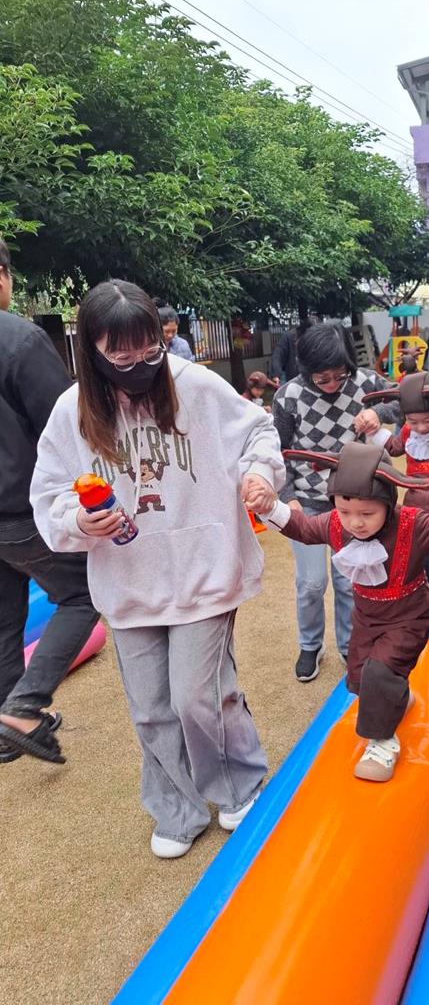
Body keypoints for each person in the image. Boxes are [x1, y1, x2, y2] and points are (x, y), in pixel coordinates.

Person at [30, 280, 285, 859]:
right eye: (121, 359)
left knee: (199, 696)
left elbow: (259, 429)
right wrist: (79, 520)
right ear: (92, 352)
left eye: (150, 353)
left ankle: (238, 784)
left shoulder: (195, 385)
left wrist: (259, 472)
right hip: (128, 580)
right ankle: (176, 807)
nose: (140, 368)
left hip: (204, 567)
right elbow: (48, 497)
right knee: (150, 709)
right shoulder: (72, 412)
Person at [256, 442, 429, 781]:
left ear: (388, 503)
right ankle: (397, 698)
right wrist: (269, 506)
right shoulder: (336, 525)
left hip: (410, 616)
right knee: (360, 674)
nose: (355, 523)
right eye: (345, 511)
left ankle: (383, 742)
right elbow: (302, 528)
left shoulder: (413, 524)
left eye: (366, 513)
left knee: (380, 670)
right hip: (367, 617)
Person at [0, 238, 98, 766]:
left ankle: (8, 723)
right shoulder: (19, 340)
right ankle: (24, 707)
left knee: (4, 617)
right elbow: (66, 428)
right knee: (82, 594)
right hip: (22, 509)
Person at [271, 323, 398, 682]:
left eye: (338, 375)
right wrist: (287, 497)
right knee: (311, 582)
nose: (331, 384)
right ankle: (310, 644)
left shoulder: (365, 383)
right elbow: (277, 450)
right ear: (305, 369)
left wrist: (380, 414)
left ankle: (349, 644)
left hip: (354, 500)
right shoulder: (288, 396)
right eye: (321, 378)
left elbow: (408, 399)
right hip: (308, 501)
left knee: (348, 579)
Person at [362, 373, 429, 638]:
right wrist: (373, 431)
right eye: (413, 421)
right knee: (408, 563)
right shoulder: (408, 432)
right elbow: (395, 447)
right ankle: (414, 609)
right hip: (412, 512)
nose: (421, 428)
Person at [270, 316, 313, 386]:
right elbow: (278, 355)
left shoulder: (318, 340)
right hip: (289, 375)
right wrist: (276, 374)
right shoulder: (289, 337)